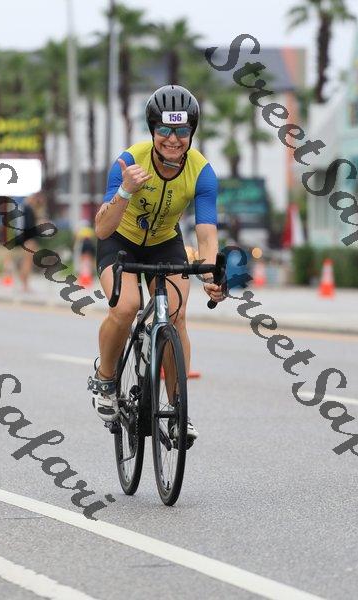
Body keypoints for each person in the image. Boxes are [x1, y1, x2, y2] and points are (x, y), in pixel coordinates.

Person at [88, 84, 224, 443]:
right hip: (120, 241)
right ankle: (105, 379)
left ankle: (179, 410)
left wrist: (211, 272)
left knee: (176, 315)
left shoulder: (202, 172)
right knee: (126, 306)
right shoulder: (130, 161)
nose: (173, 139)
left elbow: (206, 234)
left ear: (192, 131)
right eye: (164, 129)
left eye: (181, 130)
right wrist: (124, 191)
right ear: (152, 130)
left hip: (165, 242)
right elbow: (102, 228)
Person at [15, 192, 46, 292]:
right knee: (27, 263)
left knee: (26, 262)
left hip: (25, 238)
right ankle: (25, 285)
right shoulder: (28, 209)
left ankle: (24, 285)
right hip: (29, 239)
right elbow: (29, 226)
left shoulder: (23, 207)